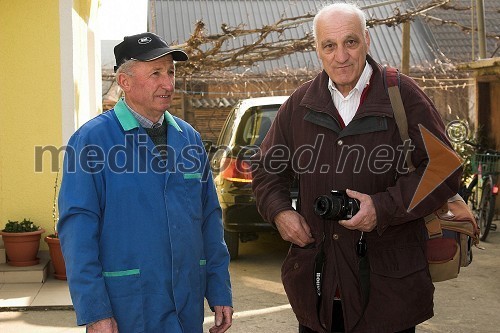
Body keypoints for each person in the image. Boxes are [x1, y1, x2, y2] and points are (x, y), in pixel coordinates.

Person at [251, 3, 460, 333]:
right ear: (317, 50)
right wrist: (280, 213)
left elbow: (444, 168)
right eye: (329, 46)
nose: (341, 56)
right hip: (318, 287)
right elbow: (267, 169)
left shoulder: (403, 97)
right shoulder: (300, 103)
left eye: (350, 42)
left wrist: (382, 208)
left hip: (387, 291)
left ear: (367, 39)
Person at [58, 32, 233, 333]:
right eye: (156, 73)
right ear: (125, 82)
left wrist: (219, 290)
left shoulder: (188, 138)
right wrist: (95, 311)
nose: (168, 83)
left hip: (186, 307)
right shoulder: (91, 141)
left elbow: (209, 220)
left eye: (171, 72)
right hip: (128, 308)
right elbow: (77, 232)